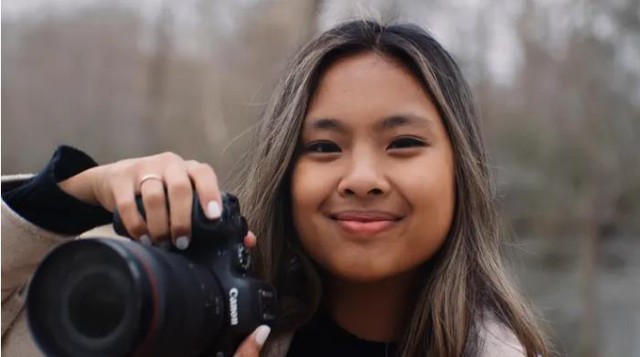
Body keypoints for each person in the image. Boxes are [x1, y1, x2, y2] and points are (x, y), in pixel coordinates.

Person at [1, 20, 550, 356]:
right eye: (324, 148)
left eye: (403, 142)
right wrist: (72, 193)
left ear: (462, 171)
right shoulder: (191, 322)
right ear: (286, 174)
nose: (361, 179)